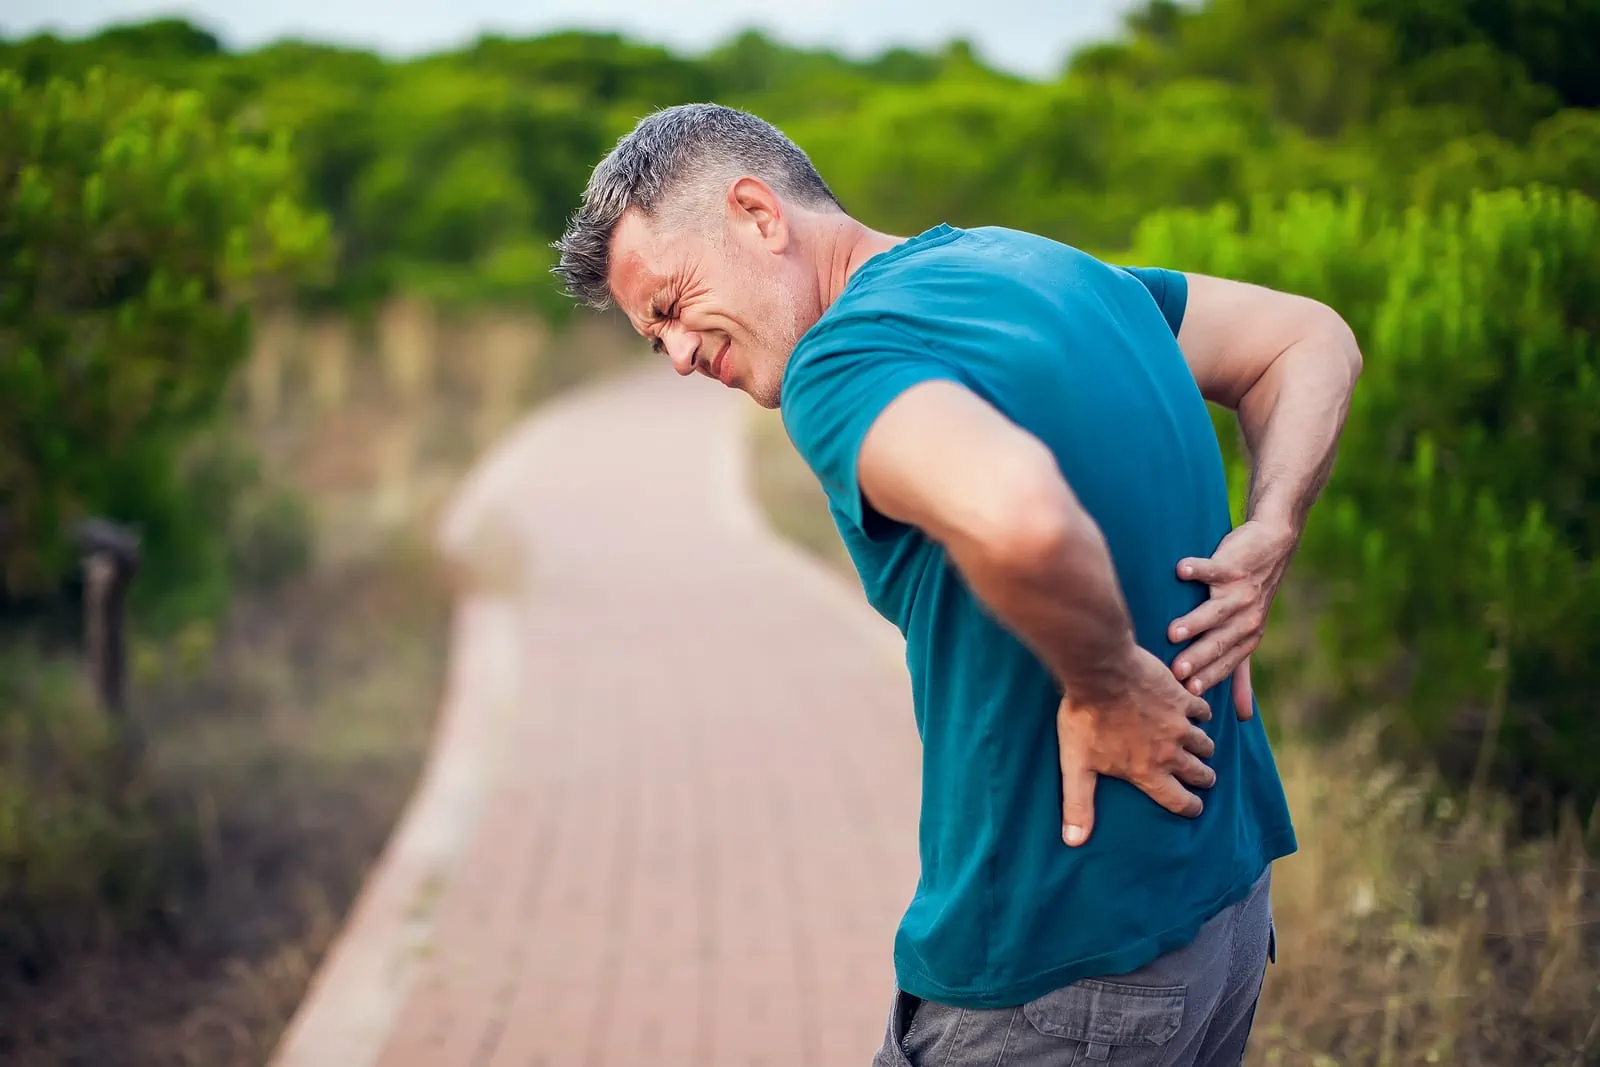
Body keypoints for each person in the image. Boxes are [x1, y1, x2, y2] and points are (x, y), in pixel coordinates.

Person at [553, 103, 1361, 1067]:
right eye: (655, 338)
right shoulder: (1046, 267)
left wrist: (1106, 685)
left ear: (758, 214)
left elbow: (1020, 516)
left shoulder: (840, 359)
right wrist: (1272, 528)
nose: (679, 354)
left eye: (675, 304)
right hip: (1220, 921)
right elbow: (1308, 339)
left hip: (1054, 971)